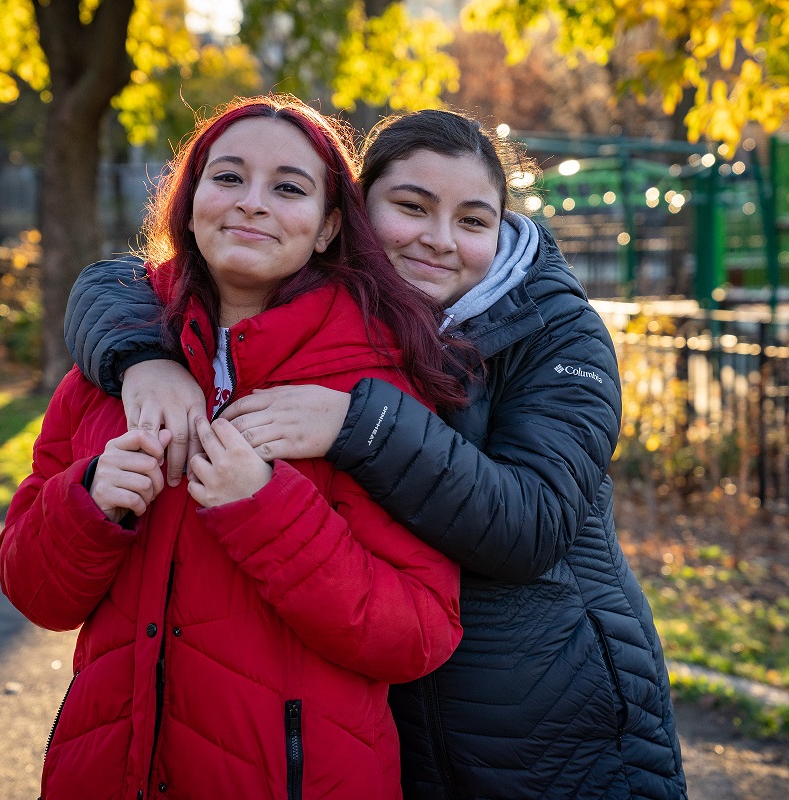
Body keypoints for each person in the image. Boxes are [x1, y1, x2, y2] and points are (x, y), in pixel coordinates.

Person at [65, 109, 687, 799]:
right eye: (412, 206)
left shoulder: (558, 334)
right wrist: (142, 360)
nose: (439, 241)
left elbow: (532, 525)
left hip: (551, 718)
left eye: (474, 221)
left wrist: (359, 424)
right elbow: (119, 284)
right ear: (354, 213)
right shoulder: (350, 309)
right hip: (397, 727)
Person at [0, 96, 465, 800]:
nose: (252, 203)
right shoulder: (109, 373)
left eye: (287, 187)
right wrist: (89, 500)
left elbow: (420, 633)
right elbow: (33, 589)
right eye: (228, 178)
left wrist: (267, 512)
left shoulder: (374, 392)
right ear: (188, 205)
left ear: (328, 227)